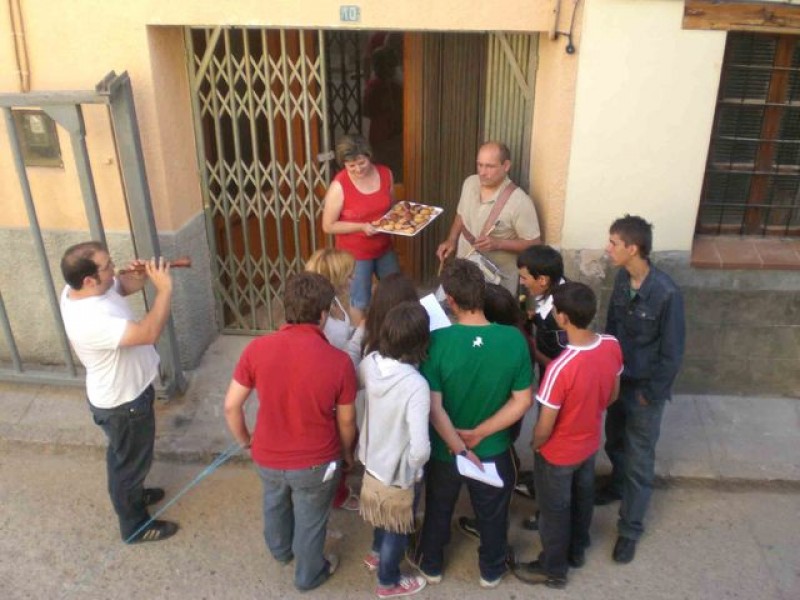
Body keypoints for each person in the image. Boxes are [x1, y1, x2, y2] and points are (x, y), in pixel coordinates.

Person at [223, 272, 358, 591]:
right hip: (316, 461)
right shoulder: (339, 362)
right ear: (322, 315)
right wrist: (346, 454)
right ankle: (309, 574)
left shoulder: (256, 349)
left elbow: (231, 406)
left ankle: (281, 550)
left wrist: (246, 441)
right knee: (311, 519)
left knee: (274, 501)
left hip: (267, 454)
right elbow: (346, 421)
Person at [412, 259, 533, 588]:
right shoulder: (513, 339)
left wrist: (459, 446)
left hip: (445, 451)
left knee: (438, 509)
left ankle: (431, 565)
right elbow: (522, 400)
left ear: (450, 300)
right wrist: (481, 433)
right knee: (493, 515)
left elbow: (434, 408)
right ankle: (491, 571)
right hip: (493, 448)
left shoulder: (436, 341)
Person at [59, 241, 178, 543]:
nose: (114, 269)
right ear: (89, 280)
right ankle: (135, 526)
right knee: (130, 466)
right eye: (108, 266)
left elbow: (121, 287)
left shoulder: (78, 290)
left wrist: (141, 276)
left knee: (124, 458)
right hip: (124, 405)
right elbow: (148, 333)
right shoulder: (90, 321)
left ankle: (132, 495)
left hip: (125, 396)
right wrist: (164, 291)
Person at [513, 282, 622, 589]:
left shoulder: (560, 369)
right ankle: (577, 549)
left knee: (554, 510)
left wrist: (536, 444)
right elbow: (613, 395)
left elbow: (545, 426)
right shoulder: (611, 345)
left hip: (558, 453)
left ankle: (553, 568)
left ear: (562, 318)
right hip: (589, 442)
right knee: (582, 497)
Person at [596, 215, 685, 564]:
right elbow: (611, 328)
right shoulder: (622, 278)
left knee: (639, 460)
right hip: (620, 382)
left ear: (633, 248)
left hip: (645, 391)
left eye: (614, 243)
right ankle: (617, 486)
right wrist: (608, 373)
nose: (608, 248)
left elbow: (672, 353)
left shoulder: (666, 293)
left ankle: (630, 529)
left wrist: (652, 395)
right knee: (615, 441)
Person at [358, 301, 431, 598]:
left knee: (380, 512)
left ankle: (375, 554)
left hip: (371, 460)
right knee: (397, 529)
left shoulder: (370, 362)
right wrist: (416, 467)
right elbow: (420, 447)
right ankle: (388, 582)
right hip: (400, 471)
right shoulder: (416, 385)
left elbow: (356, 387)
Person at [455, 283, 536, 540]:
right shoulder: (519, 337)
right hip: (506, 422)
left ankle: (490, 523)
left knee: (493, 472)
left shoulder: (506, 345)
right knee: (503, 461)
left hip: (495, 421)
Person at [436, 141, 541, 295]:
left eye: (489, 166)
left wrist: (498, 243)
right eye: (479, 165)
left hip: (496, 283)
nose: (482, 172)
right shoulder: (470, 183)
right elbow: (461, 214)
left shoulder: (520, 202)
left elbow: (534, 244)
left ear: (506, 166)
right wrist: (451, 239)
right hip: (463, 272)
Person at [322, 134, 400, 325]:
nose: (358, 169)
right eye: (351, 166)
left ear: (369, 156)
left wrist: (402, 219)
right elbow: (328, 225)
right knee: (360, 300)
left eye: (361, 163)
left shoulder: (385, 174)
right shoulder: (339, 186)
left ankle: (394, 330)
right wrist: (362, 226)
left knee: (395, 291)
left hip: (384, 247)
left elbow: (393, 207)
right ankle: (362, 338)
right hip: (356, 254)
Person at [305, 248, 361, 511]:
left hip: (343, 373)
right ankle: (336, 493)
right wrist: (359, 336)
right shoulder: (319, 314)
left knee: (346, 435)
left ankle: (339, 484)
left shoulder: (337, 301)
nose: (353, 278)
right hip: (332, 383)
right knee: (339, 438)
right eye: (348, 274)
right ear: (336, 277)